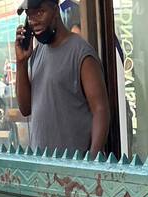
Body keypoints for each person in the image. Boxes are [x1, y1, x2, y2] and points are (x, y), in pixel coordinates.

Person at [15, 0, 109, 156]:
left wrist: (91, 163)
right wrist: (21, 62)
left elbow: (101, 110)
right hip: (42, 168)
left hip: (73, 169)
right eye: (29, 15)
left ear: (55, 10)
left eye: (39, 12)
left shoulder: (81, 53)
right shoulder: (37, 53)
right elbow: (25, 108)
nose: (33, 21)